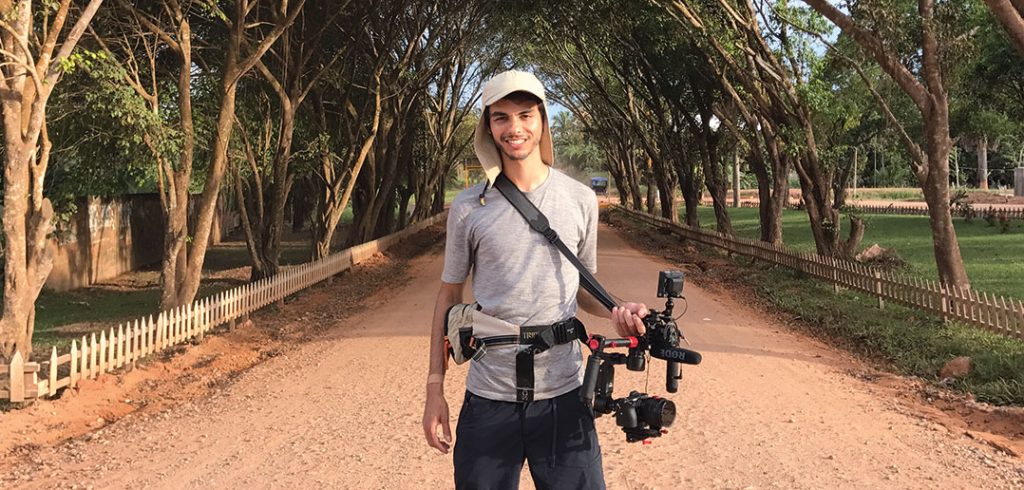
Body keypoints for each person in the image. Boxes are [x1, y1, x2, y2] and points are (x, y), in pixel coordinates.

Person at [421, 70, 648, 490]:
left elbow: (583, 288)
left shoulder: (580, 200)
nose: (515, 128)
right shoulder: (470, 207)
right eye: (501, 117)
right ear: (488, 127)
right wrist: (435, 388)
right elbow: (449, 295)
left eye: (525, 115)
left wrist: (619, 308)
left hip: (563, 396)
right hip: (489, 399)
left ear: (542, 120)